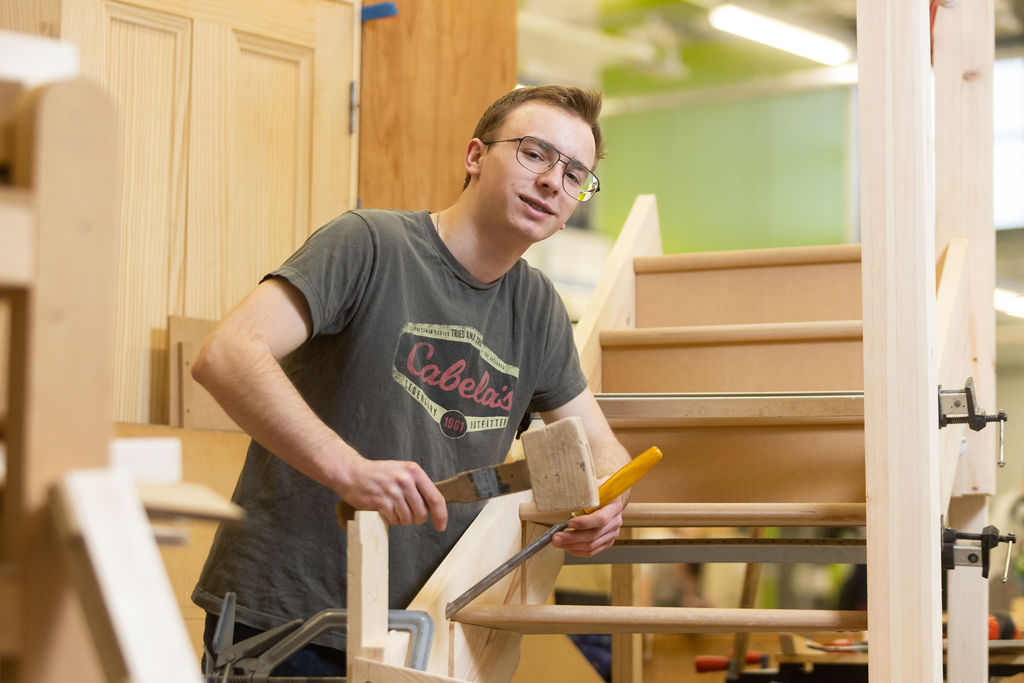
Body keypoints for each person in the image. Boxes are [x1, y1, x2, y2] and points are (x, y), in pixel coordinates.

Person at [190, 84, 633, 676]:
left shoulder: (538, 309)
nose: (555, 181)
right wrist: (349, 470)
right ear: (475, 156)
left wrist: (607, 500)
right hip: (294, 621)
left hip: (426, 633)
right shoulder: (370, 244)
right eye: (534, 153)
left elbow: (602, 448)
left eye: (576, 173)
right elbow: (226, 354)